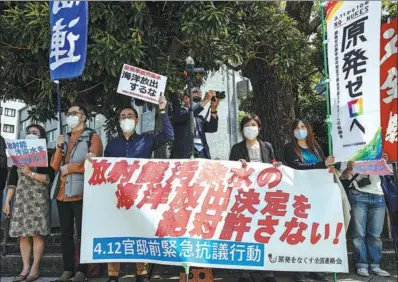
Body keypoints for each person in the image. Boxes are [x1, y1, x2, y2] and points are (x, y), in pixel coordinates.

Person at [100, 96, 173, 282]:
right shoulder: (112, 144)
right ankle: (113, 274)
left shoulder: (147, 140)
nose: (126, 119)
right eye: (123, 116)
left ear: (137, 120)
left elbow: (168, 136)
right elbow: (103, 167)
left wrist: (162, 110)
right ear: (119, 121)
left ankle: (141, 273)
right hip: (116, 196)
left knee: (140, 232)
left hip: (140, 195)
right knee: (115, 232)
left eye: (130, 116)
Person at [51, 105, 103, 282]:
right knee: (65, 233)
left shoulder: (92, 136)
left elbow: (94, 162)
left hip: (82, 192)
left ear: (83, 117)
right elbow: (54, 165)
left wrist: (71, 167)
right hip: (62, 192)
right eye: (69, 113)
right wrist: (58, 147)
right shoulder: (64, 137)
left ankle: (82, 271)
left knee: (82, 232)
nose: (70, 116)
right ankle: (67, 270)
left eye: (74, 113)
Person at [229, 115, 281, 282]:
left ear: (259, 128)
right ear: (242, 129)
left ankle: (267, 272)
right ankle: (245, 272)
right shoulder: (237, 148)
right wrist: (238, 164)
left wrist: (276, 165)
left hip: (265, 196)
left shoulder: (267, 146)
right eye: (247, 125)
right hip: (246, 197)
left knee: (264, 231)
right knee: (245, 231)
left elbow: (273, 162)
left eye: (253, 125)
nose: (250, 128)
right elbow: (229, 168)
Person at [284, 119, 334, 282]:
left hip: (319, 194)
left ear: (309, 129)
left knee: (316, 231)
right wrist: (321, 165)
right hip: (301, 196)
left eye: (303, 127)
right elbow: (296, 167)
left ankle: (315, 268)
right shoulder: (289, 148)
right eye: (297, 128)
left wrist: (328, 167)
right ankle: (299, 270)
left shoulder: (316, 147)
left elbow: (323, 166)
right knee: (300, 231)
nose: (300, 130)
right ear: (292, 131)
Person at [3, 124, 55, 282]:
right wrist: (7, 202)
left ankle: (35, 267)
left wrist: (30, 173)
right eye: (29, 132)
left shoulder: (46, 154)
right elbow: (13, 182)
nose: (31, 134)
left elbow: (47, 179)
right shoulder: (17, 155)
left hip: (38, 199)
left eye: (35, 133)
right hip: (21, 199)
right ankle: (25, 267)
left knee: (37, 234)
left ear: (41, 137)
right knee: (23, 235)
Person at [340, 157, 390, 278]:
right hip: (357, 193)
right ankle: (361, 265)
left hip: (378, 194)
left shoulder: (377, 149)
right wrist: (348, 168)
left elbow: (388, 172)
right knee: (359, 233)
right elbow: (343, 176)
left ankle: (375, 265)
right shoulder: (349, 149)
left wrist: (384, 161)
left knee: (375, 234)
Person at [170, 88, 219, 159]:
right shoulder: (178, 113)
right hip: (183, 158)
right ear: (186, 98)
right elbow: (188, 115)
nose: (199, 102)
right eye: (196, 99)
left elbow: (212, 128)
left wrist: (213, 109)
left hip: (201, 157)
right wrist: (205, 100)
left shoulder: (199, 118)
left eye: (200, 99)